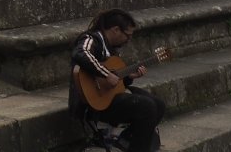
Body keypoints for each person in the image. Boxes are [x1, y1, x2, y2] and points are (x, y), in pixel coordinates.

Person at [69, 8, 165, 152]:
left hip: (108, 98)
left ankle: (125, 141)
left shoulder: (111, 49)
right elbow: (80, 53)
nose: (129, 40)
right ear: (115, 30)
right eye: (128, 35)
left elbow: (114, 83)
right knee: (146, 107)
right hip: (90, 104)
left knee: (158, 104)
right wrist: (106, 74)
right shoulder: (90, 39)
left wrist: (128, 77)